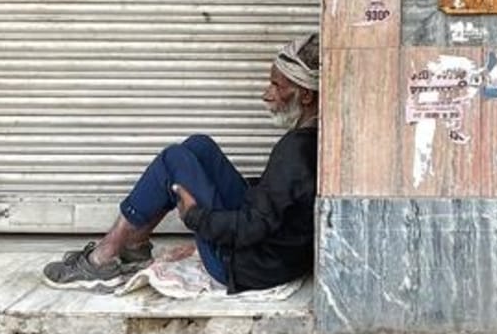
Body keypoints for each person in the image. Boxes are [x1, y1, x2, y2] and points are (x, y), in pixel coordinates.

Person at [41, 33, 322, 294]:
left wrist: (195, 216)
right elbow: (279, 200)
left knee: (173, 159)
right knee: (199, 146)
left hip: (243, 267)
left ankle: (102, 258)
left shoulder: (293, 152)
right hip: (271, 257)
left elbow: (254, 226)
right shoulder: (312, 139)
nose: (266, 94)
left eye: (276, 86)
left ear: (306, 96)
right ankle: (135, 245)